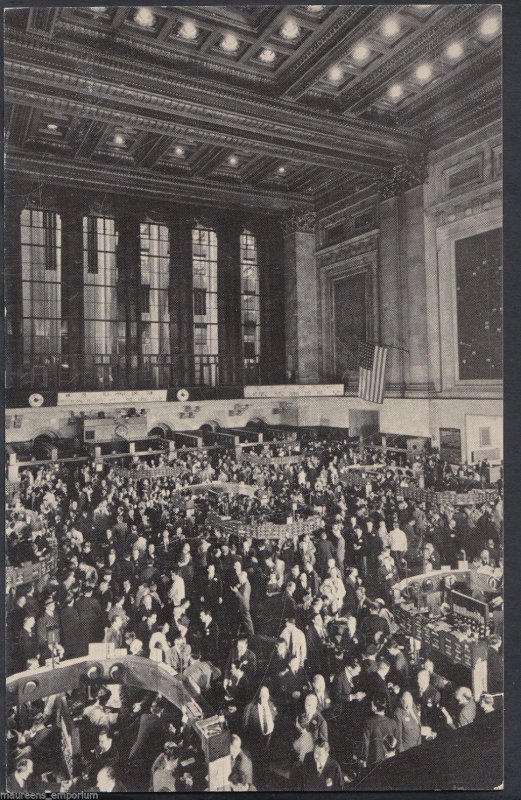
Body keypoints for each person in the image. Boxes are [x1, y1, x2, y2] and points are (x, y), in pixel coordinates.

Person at [361, 695, 398, 768]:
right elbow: (397, 741)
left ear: (374, 707)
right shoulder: (392, 722)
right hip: (389, 761)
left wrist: (363, 759)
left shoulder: (369, 723)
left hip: (374, 762)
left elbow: (365, 743)